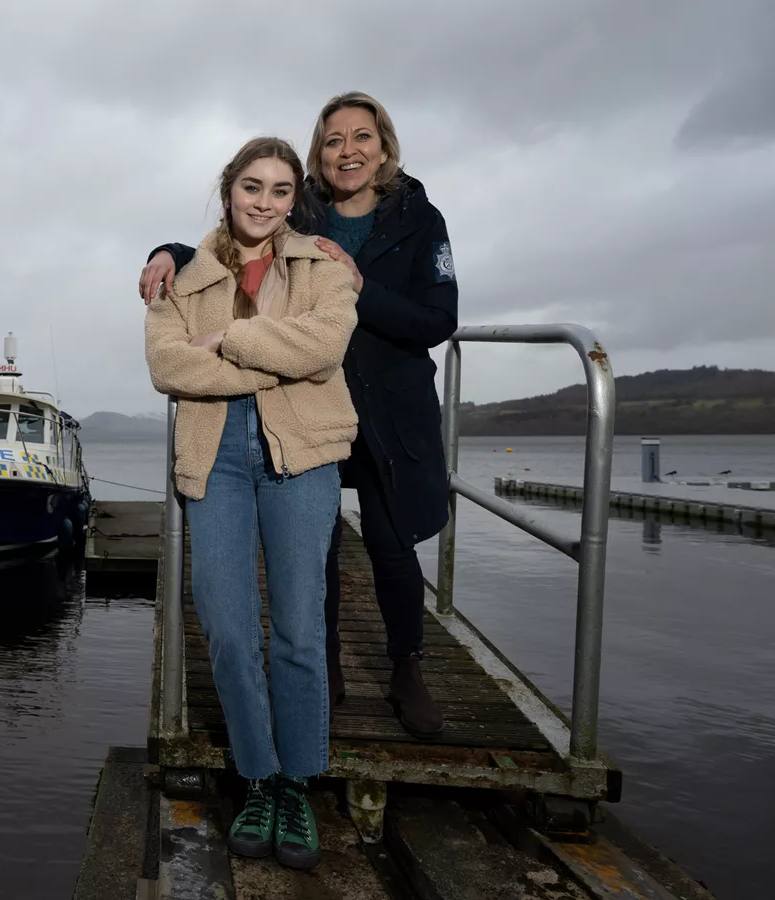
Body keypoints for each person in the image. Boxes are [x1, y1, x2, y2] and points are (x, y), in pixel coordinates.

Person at [138, 92, 456, 740]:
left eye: (362, 137)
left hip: (388, 402)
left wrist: (361, 290)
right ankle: (326, 663)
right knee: (318, 547)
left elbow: (438, 320)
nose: (348, 151)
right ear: (319, 153)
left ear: (384, 149)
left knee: (392, 541)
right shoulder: (302, 206)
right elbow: (240, 231)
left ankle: (407, 666)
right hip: (302, 399)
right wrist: (169, 250)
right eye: (334, 140)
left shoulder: (420, 219)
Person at [144, 136, 358, 868]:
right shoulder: (178, 276)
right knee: (229, 628)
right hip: (216, 458)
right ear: (228, 188)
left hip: (302, 453)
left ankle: (297, 783)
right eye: (251, 187)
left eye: (280, 190)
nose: (264, 203)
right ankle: (259, 776)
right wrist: (273, 360)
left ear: (295, 198)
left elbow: (324, 348)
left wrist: (229, 338)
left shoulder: (323, 265)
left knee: (298, 628)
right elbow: (167, 365)